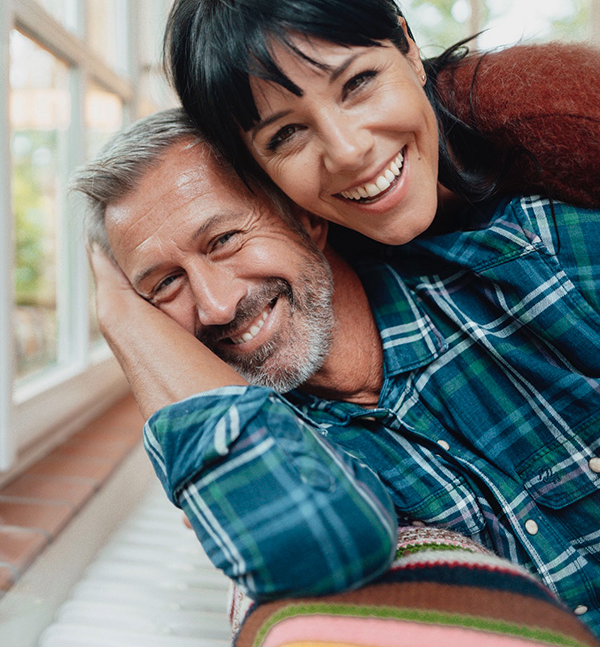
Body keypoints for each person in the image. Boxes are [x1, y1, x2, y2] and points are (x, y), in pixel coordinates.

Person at [72, 109, 600, 637]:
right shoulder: (268, 455)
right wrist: (120, 316)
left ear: (306, 217)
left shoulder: (532, 256)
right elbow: (310, 548)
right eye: (165, 284)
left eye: (224, 239)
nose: (216, 305)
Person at [164, 0, 600, 247]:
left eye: (357, 83)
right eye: (285, 134)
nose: (348, 150)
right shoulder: (295, 239)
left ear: (409, 50)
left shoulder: (550, 110)